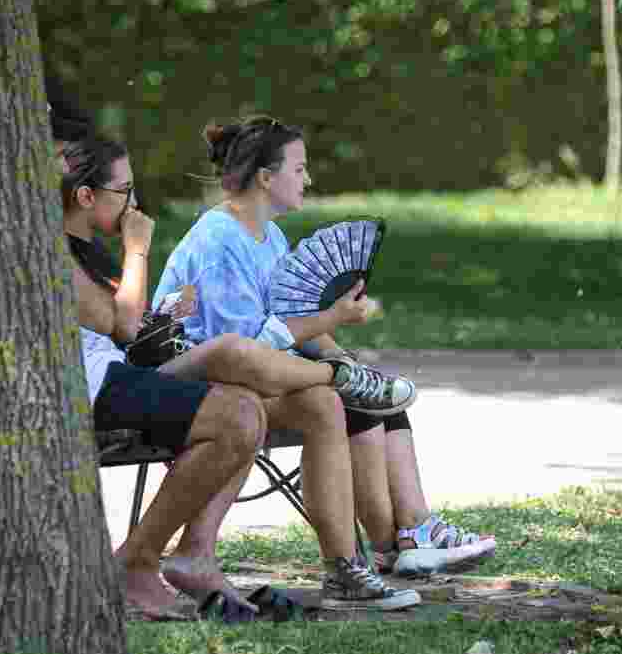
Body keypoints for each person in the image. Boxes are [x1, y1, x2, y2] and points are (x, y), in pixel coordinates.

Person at [56, 130, 420, 614]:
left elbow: (129, 329)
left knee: (311, 404)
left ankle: (342, 568)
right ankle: (340, 376)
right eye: (124, 190)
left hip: (135, 371)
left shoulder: (93, 253)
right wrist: (138, 248)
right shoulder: (58, 252)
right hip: (105, 387)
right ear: (86, 196)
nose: (134, 204)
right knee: (235, 359)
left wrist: (166, 313)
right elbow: (120, 325)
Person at [152, 116, 498, 577]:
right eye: (299, 169)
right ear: (266, 177)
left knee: (375, 393)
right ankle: (391, 545)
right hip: (210, 388)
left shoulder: (269, 235)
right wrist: (333, 320)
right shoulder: (219, 241)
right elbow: (245, 350)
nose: (308, 179)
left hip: (259, 375)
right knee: (346, 399)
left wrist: (342, 357)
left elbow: (290, 322)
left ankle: (417, 529)